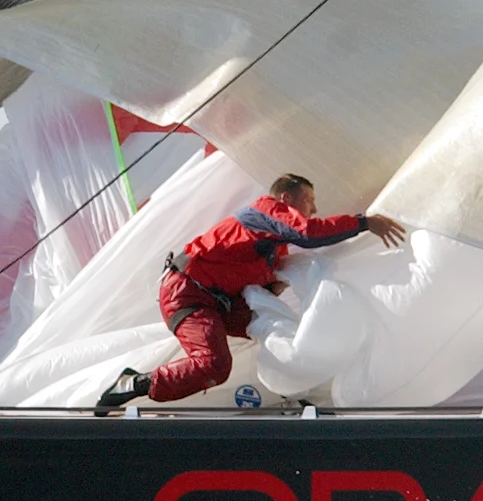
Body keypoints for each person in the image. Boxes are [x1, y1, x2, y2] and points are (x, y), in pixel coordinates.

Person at [98, 174, 405, 408]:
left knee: (277, 329)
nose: (314, 208)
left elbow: (245, 270)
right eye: (309, 200)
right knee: (214, 365)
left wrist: (276, 283)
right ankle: (135, 383)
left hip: (217, 300)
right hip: (188, 294)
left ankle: (294, 393)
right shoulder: (266, 211)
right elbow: (309, 234)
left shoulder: (270, 242)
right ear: (286, 198)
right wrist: (365, 223)